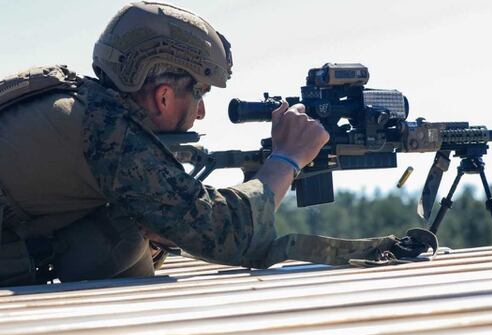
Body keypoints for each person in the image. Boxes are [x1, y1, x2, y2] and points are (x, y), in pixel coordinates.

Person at [0, 2, 329, 284]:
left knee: (122, 231)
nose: (201, 112)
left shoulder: (79, 107)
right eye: (200, 93)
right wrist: (288, 158)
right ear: (163, 96)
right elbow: (227, 233)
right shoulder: (106, 130)